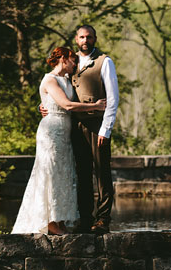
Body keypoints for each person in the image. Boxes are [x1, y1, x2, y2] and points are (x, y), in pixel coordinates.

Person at [12, 47, 106, 235]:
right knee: (51, 174)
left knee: (64, 176)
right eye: (73, 61)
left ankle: (60, 219)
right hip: (51, 133)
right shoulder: (49, 79)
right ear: (63, 59)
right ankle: (50, 222)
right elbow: (66, 104)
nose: (75, 65)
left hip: (65, 134)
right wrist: (94, 106)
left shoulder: (66, 80)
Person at [71, 24, 119, 235]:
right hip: (75, 125)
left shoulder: (104, 62)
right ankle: (85, 218)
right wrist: (42, 106)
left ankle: (102, 220)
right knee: (82, 174)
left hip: (98, 125)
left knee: (102, 173)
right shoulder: (70, 61)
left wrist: (105, 130)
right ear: (76, 39)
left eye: (89, 37)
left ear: (95, 38)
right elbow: (54, 86)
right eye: (82, 37)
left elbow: (113, 98)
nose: (85, 41)